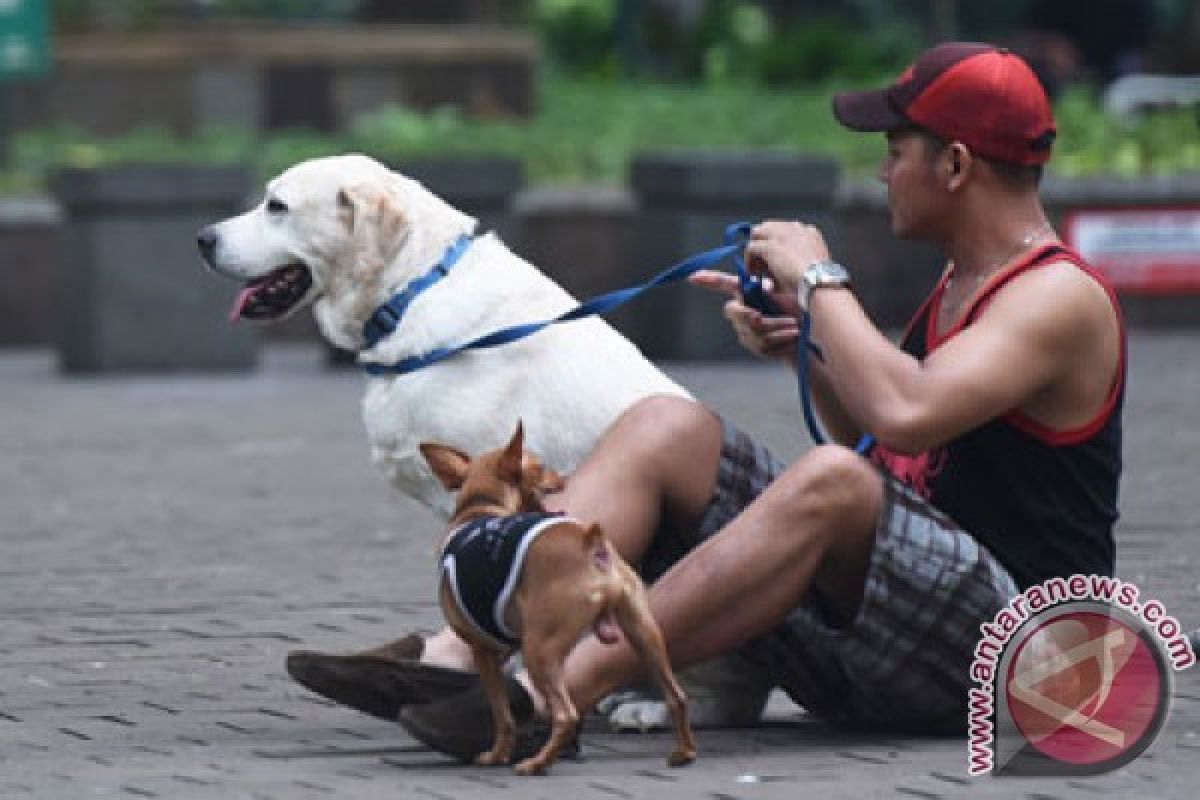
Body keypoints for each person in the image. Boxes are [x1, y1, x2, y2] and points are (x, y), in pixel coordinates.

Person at [295, 42, 1126, 758]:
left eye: (895, 147)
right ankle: (460, 653)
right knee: (665, 426)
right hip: (903, 634)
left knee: (830, 479)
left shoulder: (1056, 297)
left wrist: (820, 279)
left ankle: (548, 694)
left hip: (1020, 654)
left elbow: (903, 417)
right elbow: (896, 454)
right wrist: (813, 348)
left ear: (954, 165)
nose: (882, 170)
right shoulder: (962, 284)